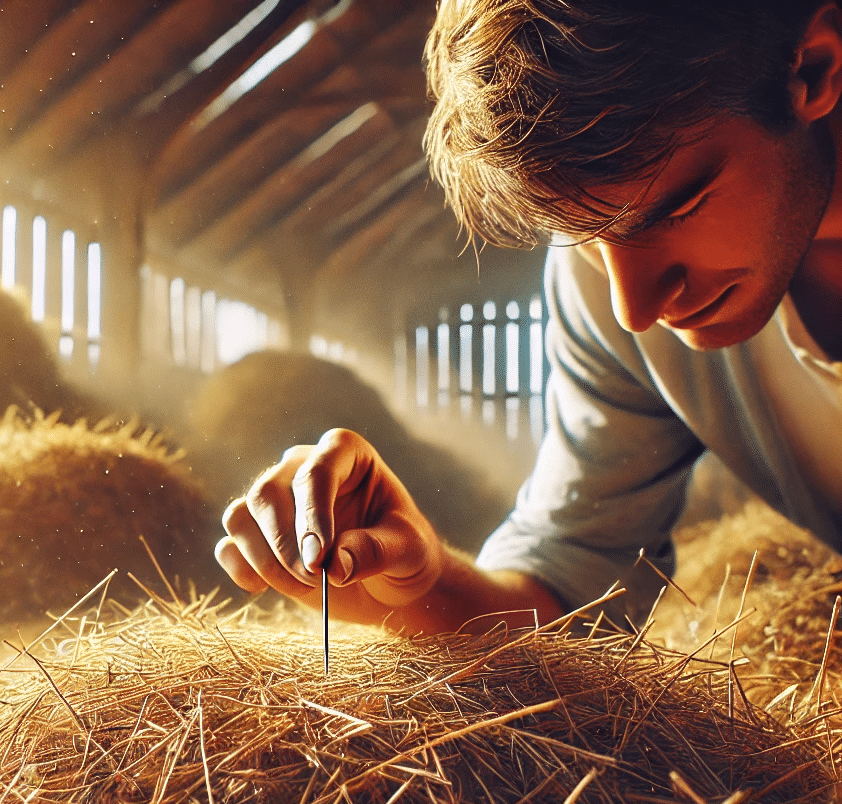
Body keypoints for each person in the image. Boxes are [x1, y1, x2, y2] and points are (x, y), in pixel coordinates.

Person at [215, 0, 842, 635]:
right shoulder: (600, 294)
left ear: (814, 71)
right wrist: (417, 588)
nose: (634, 309)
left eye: (680, 207)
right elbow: (574, 586)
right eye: (585, 235)